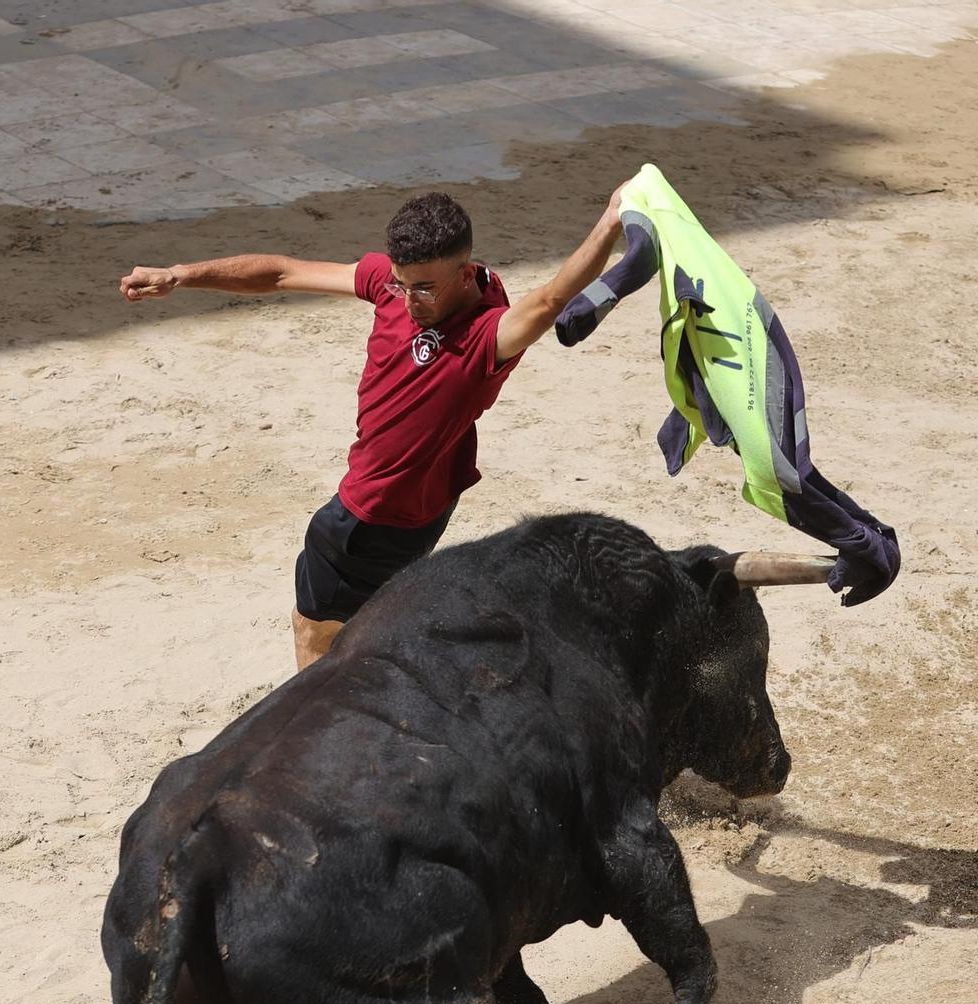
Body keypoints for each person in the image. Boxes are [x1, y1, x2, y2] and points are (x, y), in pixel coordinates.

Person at [118, 186, 627, 669]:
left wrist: (610, 219)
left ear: (466, 273)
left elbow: (550, 299)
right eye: (401, 285)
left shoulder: (485, 338)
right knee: (379, 622)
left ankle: (320, 744)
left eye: (424, 289)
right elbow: (280, 274)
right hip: (430, 504)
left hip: (371, 514)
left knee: (314, 630)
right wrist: (180, 274)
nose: (408, 302)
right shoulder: (402, 283)